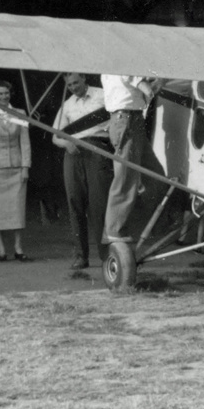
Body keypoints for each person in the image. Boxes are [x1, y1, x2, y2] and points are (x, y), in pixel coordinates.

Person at [52, 73, 112, 269]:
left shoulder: (103, 95)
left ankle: (107, 256)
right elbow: (56, 136)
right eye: (69, 85)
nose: (73, 87)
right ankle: (81, 256)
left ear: (84, 79)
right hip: (73, 153)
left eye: (76, 82)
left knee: (99, 203)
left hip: (97, 149)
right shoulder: (68, 104)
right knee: (74, 202)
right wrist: (66, 143)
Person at [101, 74, 160, 244]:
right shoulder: (123, 61)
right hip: (126, 120)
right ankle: (114, 229)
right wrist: (152, 87)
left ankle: (144, 221)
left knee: (155, 174)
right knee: (125, 178)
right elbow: (146, 88)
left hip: (131, 119)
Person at [0, 80, 32, 261]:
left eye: (6, 93)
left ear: (11, 94)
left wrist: (25, 167)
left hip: (17, 167)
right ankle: (1, 249)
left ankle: (18, 247)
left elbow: (24, 142)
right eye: (0, 94)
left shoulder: (19, 114)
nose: (3, 97)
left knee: (17, 208)